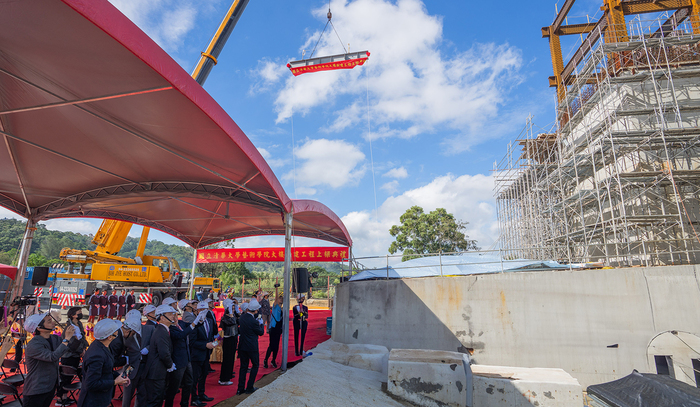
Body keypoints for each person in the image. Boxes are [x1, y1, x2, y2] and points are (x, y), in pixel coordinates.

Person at [23, 312, 76, 407]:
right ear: (39, 328)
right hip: (36, 388)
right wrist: (67, 339)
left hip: (50, 386)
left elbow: (69, 348)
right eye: (49, 321)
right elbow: (52, 357)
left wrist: (77, 335)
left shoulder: (54, 338)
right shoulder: (34, 344)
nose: (53, 323)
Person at [76, 319, 129, 407]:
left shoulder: (101, 346)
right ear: (109, 337)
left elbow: (105, 370)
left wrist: (118, 376)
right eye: (116, 332)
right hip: (94, 401)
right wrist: (115, 382)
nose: (118, 333)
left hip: (100, 398)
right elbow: (91, 383)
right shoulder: (97, 354)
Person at [142, 305, 177, 407]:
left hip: (157, 373)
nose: (173, 317)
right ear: (161, 317)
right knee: (155, 401)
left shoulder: (162, 329)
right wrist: (170, 365)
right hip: (155, 374)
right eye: (170, 314)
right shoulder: (161, 331)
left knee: (157, 400)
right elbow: (164, 353)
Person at [164, 301, 198, 407]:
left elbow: (192, 326)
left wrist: (200, 318)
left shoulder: (181, 324)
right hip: (178, 361)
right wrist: (195, 322)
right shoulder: (171, 329)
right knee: (174, 387)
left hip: (186, 359)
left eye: (175, 315)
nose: (174, 317)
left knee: (189, 382)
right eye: (172, 315)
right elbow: (182, 335)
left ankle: (184, 404)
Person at [57, 307, 89, 406]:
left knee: (69, 378)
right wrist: (80, 350)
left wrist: (84, 348)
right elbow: (70, 344)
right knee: (65, 377)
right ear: (73, 315)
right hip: (69, 355)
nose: (81, 313)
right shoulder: (69, 327)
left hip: (76, 354)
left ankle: (65, 397)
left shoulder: (79, 324)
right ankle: (59, 398)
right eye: (79, 312)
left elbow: (82, 337)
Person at [189, 302, 215, 406]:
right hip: (197, 355)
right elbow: (192, 342)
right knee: (195, 377)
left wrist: (213, 343)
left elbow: (210, 336)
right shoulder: (194, 324)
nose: (204, 311)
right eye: (201, 310)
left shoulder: (209, 321)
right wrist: (205, 345)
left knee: (204, 375)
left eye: (206, 309)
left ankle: (201, 394)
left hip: (206, 354)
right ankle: (194, 398)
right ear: (197, 311)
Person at [236, 299, 264, 395]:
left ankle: (240, 388)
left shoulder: (242, 317)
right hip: (252, 346)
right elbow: (261, 332)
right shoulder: (254, 321)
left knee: (243, 367)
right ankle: (249, 386)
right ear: (255, 310)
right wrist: (261, 323)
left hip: (243, 345)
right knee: (255, 365)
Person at [117, 310, 142, 407]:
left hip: (143, 368)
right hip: (128, 368)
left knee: (140, 395)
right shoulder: (121, 336)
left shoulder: (145, 330)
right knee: (127, 395)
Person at [134, 304, 157, 407]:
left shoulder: (152, 327)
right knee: (133, 390)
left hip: (146, 363)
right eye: (153, 313)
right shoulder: (148, 327)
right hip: (134, 365)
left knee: (143, 389)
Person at [218, 299, 238, 385]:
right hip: (227, 339)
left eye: (233, 309)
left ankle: (229, 374)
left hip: (233, 338)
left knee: (231, 358)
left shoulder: (231, 316)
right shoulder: (225, 318)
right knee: (227, 359)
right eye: (231, 308)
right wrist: (231, 314)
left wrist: (235, 312)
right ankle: (224, 378)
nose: (232, 311)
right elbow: (232, 322)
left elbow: (238, 321)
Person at [263, 294, 283, 369]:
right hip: (273, 328)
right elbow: (276, 298)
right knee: (271, 345)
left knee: (276, 346)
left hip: (278, 329)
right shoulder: (275, 307)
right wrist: (277, 287)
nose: (281, 299)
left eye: (282, 298)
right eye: (280, 298)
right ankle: (265, 360)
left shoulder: (281, 310)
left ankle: (273, 360)